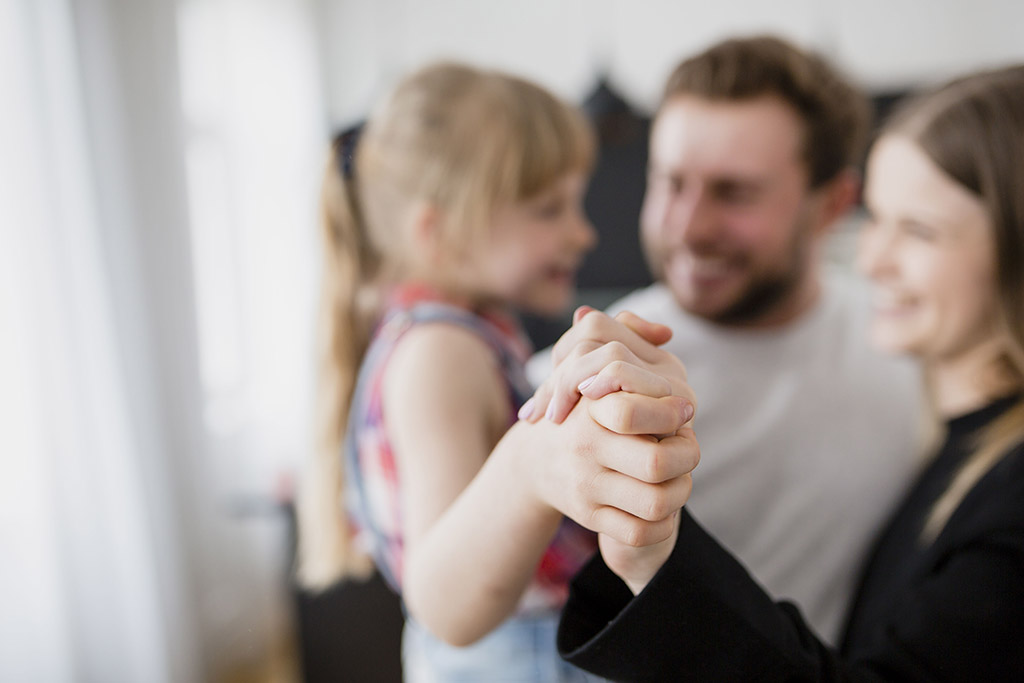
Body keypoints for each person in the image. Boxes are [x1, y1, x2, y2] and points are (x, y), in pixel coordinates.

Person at [555, 63, 1024, 680]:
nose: (871, 258)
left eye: (918, 230)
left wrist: (656, 553)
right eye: (877, 219)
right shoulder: (960, 439)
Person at [294, 61, 699, 682]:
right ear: (438, 230)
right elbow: (446, 603)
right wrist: (532, 466)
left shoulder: (461, 334)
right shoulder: (441, 354)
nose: (582, 232)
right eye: (548, 209)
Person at [528, 35, 924, 642]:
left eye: (734, 193)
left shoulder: (909, 348)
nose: (687, 228)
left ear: (832, 205)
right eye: (670, 183)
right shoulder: (596, 369)